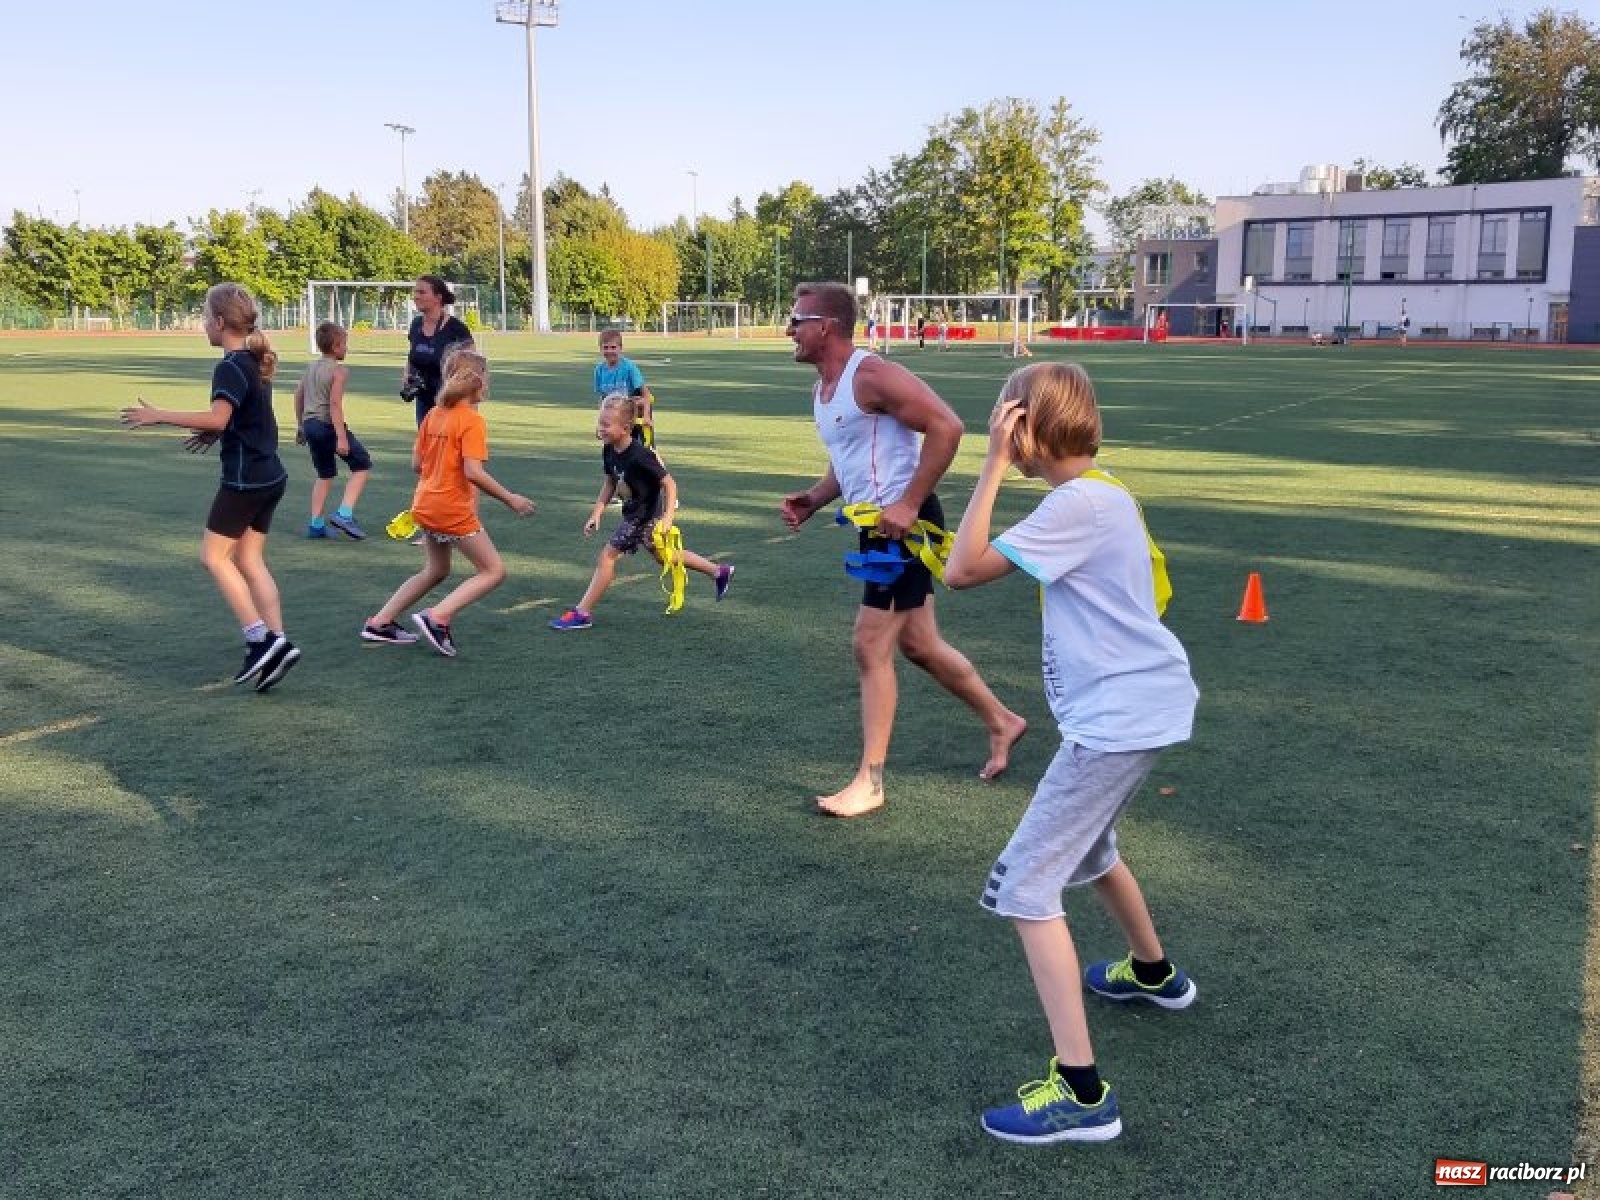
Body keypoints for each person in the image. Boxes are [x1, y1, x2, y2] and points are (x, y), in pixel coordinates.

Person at [943, 361, 1199, 1146]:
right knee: (1090, 848)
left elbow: (960, 572)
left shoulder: (1077, 504)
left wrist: (988, 466)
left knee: (1026, 887)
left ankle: (1084, 1096)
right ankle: (1154, 975)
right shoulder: (1099, 493)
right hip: (1139, 711)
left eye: (1001, 418)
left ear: (1025, 426)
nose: (995, 428)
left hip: (1118, 722)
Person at [779, 281, 1026, 817]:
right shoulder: (825, 389)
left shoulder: (870, 374)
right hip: (878, 529)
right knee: (919, 645)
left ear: (827, 326)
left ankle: (870, 781)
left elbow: (948, 426)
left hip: (905, 530)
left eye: (797, 320)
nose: (789, 330)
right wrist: (815, 498)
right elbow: (849, 461)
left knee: (870, 645)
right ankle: (1003, 721)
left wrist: (909, 502)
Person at [119, 282, 300, 692]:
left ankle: (258, 640)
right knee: (251, 561)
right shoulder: (253, 361)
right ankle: (278, 643)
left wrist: (158, 415)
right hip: (270, 475)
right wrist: (215, 435)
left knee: (213, 558)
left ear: (220, 322)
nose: (203, 324)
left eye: (205, 318)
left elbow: (220, 417)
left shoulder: (231, 365)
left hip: (244, 480)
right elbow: (244, 418)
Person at [363, 351, 536, 656]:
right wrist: (512, 499)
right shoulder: (472, 422)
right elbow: (473, 472)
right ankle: (438, 617)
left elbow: (417, 464)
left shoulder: (433, 414)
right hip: (451, 508)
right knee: (493, 571)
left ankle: (380, 622)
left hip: (425, 504)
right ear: (479, 383)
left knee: (436, 570)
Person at [550, 393, 733, 630]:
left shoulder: (641, 455)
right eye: (600, 423)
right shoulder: (609, 450)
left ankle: (582, 613)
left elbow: (670, 484)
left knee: (607, 556)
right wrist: (596, 513)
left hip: (644, 516)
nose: (601, 429)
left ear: (625, 428)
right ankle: (718, 571)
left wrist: (667, 518)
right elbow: (609, 483)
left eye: (606, 424)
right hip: (635, 513)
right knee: (663, 557)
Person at [294, 321, 371, 539]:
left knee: (324, 474)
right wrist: (341, 438)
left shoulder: (310, 368)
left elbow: (298, 396)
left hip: (310, 425)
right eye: (345, 344)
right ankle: (344, 514)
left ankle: (316, 525)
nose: (347, 348)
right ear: (336, 346)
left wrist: (301, 425)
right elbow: (335, 404)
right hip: (327, 425)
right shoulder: (339, 371)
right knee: (362, 465)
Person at [403, 275, 474, 429]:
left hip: (450, 401)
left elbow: (473, 366)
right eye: (415, 292)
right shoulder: (416, 325)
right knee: (427, 447)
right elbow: (412, 355)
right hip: (423, 400)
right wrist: (407, 376)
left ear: (438, 298)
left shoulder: (456, 329)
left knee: (448, 448)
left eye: (422, 292)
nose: (416, 297)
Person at [593, 328, 656, 445]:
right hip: (616, 414)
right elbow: (603, 399)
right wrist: (600, 422)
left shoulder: (629, 368)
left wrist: (646, 417)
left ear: (620, 348)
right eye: (605, 347)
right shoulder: (599, 371)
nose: (609, 351)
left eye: (613, 347)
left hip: (636, 411)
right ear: (600, 349)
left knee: (641, 450)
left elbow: (646, 395)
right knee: (614, 447)